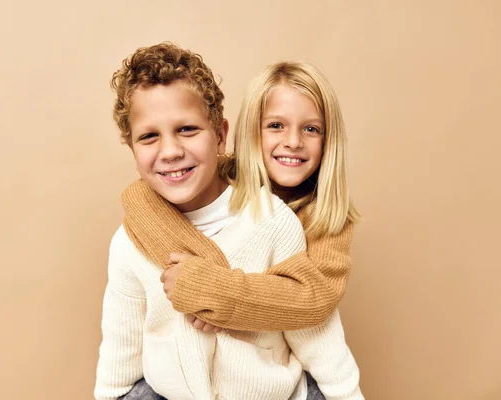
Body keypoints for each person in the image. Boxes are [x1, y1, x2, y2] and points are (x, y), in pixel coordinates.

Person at [120, 60, 362, 399]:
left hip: (278, 367)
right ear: (248, 131)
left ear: (328, 138)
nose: (293, 142)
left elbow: (313, 302)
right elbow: (143, 197)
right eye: (276, 125)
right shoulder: (214, 177)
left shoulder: (328, 218)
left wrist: (217, 296)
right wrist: (199, 290)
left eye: (311, 129)